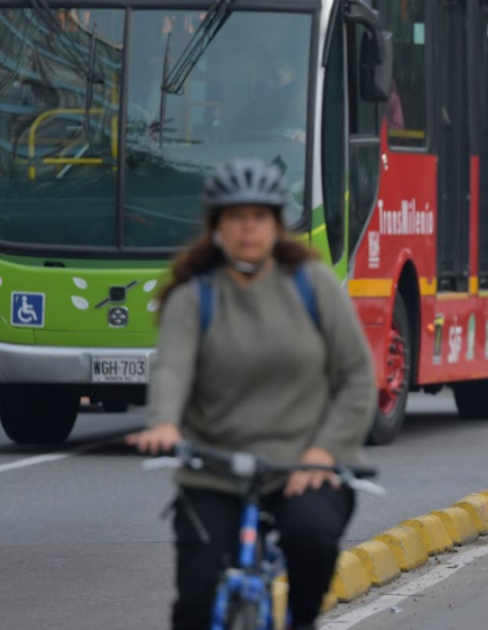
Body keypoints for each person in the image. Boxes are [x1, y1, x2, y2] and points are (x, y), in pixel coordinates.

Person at [127, 159, 375, 630]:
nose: (247, 228)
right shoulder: (194, 295)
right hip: (213, 468)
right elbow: (172, 368)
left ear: (277, 225)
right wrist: (163, 422)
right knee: (195, 598)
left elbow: (357, 377)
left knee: (313, 538)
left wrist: (323, 451)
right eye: (235, 216)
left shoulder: (312, 284)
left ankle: (302, 621)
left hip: (302, 464)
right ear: (215, 226)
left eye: (258, 216)